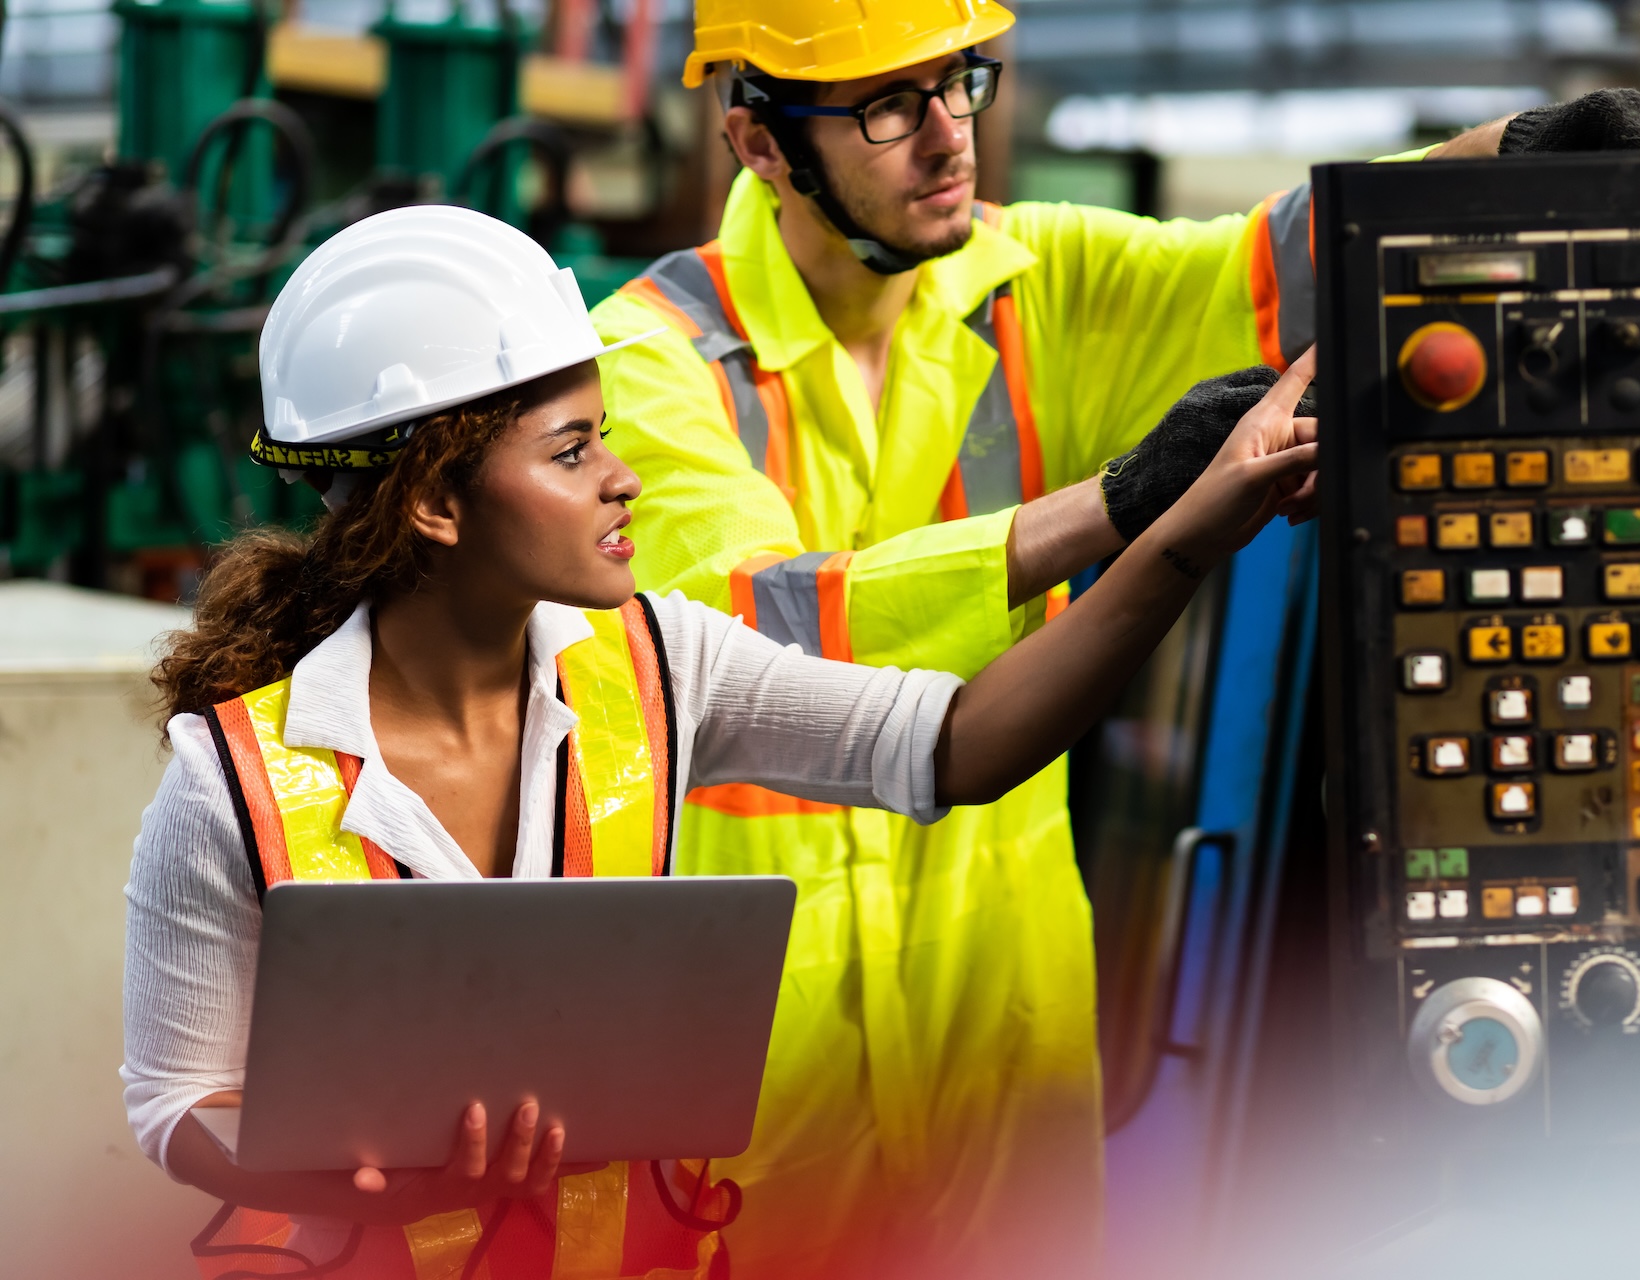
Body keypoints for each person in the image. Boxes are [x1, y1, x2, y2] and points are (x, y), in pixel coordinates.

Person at [587, 0, 1640, 1272]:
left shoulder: (1030, 288)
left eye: (960, 82)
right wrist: (1113, 505)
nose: (949, 137)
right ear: (762, 144)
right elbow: (762, 624)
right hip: (766, 1075)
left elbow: (1279, 261)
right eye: (889, 105)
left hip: (1008, 1035)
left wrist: (1512, 161)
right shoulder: (648, 358)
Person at [119, 206, 1317, 1279]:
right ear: (433, 501)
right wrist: (350, 1173)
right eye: (572, 449)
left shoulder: (662, 661)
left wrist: (1177, 536)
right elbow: (178, 1097)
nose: (624, 478)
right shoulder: (227, 782)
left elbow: (956, 743)